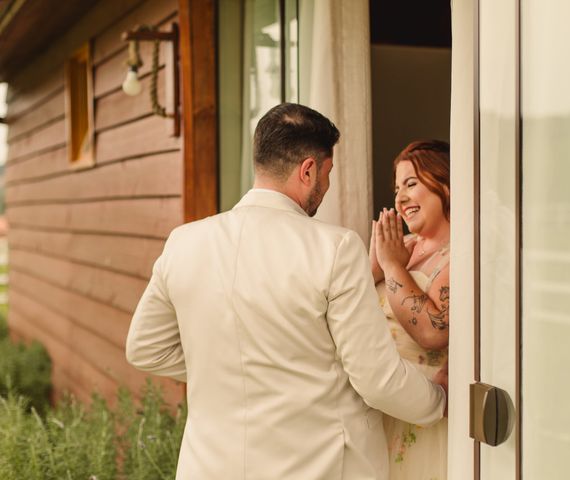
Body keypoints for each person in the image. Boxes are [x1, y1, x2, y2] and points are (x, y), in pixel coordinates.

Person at [126, 104, 447, 480]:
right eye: (327, 174)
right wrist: (438, 399)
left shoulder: (183, 243)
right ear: (308, 170)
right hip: (317, 467)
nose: (326, 187)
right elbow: (375, 379)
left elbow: (145, 347)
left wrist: (239, 368)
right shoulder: (335, 248)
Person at [370, 140, 451, 479]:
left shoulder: (461, 254)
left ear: (445, 184)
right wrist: (372, 266)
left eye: (411, 184)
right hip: (380, 411)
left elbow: (433, 331)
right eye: (397, 188)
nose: (400, 198)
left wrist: (391, 267)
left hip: (423, 417)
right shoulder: (401, 247)